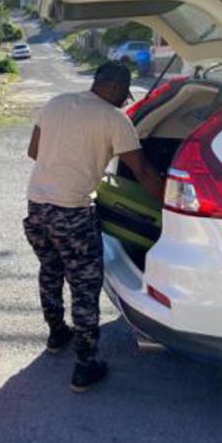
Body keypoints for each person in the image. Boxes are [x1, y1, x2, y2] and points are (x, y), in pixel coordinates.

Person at [23, 61, 164, 392]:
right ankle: (85, 366)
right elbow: (143, 172)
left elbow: (34, 152)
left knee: (50, 269)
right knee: (85, 286)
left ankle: (58, 334)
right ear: (115, 89)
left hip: (37, 206)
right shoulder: (114, 119)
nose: (124, 102)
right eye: (124, 96)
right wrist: (171, 205)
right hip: (72, 212)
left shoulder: (56, 103)